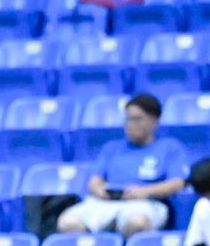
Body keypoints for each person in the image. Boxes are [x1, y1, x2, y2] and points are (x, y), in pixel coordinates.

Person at [57, 94, 187, 237]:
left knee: (136, 223)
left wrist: (145, 191)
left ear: (154, 121)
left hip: (146, 202)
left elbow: (177, 182)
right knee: (68, 223)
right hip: (107, 202)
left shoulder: (169, 147)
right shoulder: (112, 148)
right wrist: (98, 190)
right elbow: (95, 179)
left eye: (136, 119)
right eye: (127, 119)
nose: (130, 125)